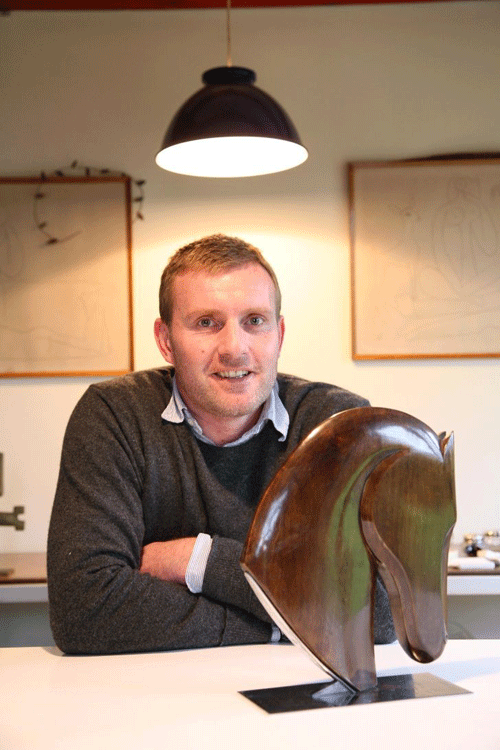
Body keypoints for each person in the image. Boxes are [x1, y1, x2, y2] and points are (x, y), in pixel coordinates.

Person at [47, 233, 395, 655]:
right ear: (165, 341)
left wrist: (195, 560)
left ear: (278, 335)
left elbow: (379, 612)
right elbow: (83, 609)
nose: (234, 348)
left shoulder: (336, 424)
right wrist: (279, 623)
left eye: (254, 321)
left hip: (298, 704)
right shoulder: (114, 416)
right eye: (206, 323)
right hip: (153, 705)